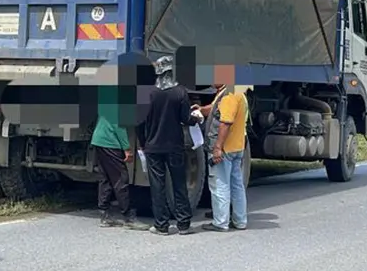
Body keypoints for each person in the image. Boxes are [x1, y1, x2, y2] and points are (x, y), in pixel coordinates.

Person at [136, 54, 202, 235]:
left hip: (153, 147)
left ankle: (162, 225)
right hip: (175, 147)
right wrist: (195, 119)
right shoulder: (180, 92)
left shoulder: (147, 93)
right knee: (179, 184)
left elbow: (139, 123)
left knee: (157, 186)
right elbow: (186, 119)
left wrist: (143, 143)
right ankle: (183, 224)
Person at [199, 73, 250, 232]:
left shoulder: (228, 96)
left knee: (219, 184)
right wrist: (201, 109)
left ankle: (220, 222)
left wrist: (217, 147)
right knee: (237, 185)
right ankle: (240, 220)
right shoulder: (236, 92)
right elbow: (215, 109)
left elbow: (225, 122)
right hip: (237, 148)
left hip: (225, 149)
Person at [92, 83, 137, 228]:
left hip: (99, 141)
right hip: (110, 143)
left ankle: (104, 214)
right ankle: (128, 217)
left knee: (105, 178)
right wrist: (127, 149)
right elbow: (119, 128)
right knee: (120, 179)